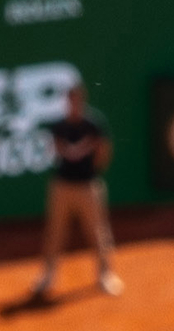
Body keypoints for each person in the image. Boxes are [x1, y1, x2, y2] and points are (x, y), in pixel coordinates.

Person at [29, 79, 121, 301]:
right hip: (62, 186)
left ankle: (105, 275)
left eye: (76, 98)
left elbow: (104, 151)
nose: (73, 102)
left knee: (98, 232)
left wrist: (90, 169)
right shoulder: (59, 126)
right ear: (67, 100)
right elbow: (58, 150)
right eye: (70, 98)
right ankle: (48, 277)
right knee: (55, 233)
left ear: (82, 98)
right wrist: (77, 152)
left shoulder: (94, 123)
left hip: (88, 186)